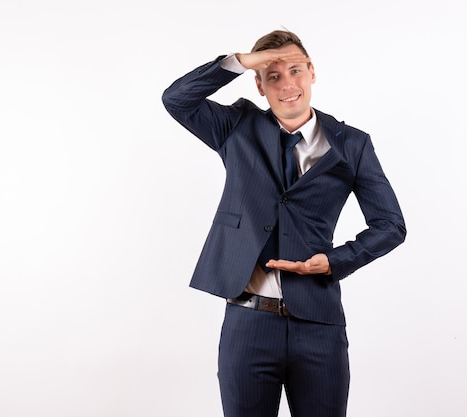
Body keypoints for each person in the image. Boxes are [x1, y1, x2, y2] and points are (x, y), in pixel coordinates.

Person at [162, 30, 406, 417]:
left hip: (318, 325)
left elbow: (391, 225)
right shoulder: (236, 127)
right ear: (259, 85)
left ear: (312, 72)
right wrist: (241, 61)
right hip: (248, 322)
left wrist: (331, 261)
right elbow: (176, 99)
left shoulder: (352, 144)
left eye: (295, 70)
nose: (287, 84)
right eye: (273, 76)